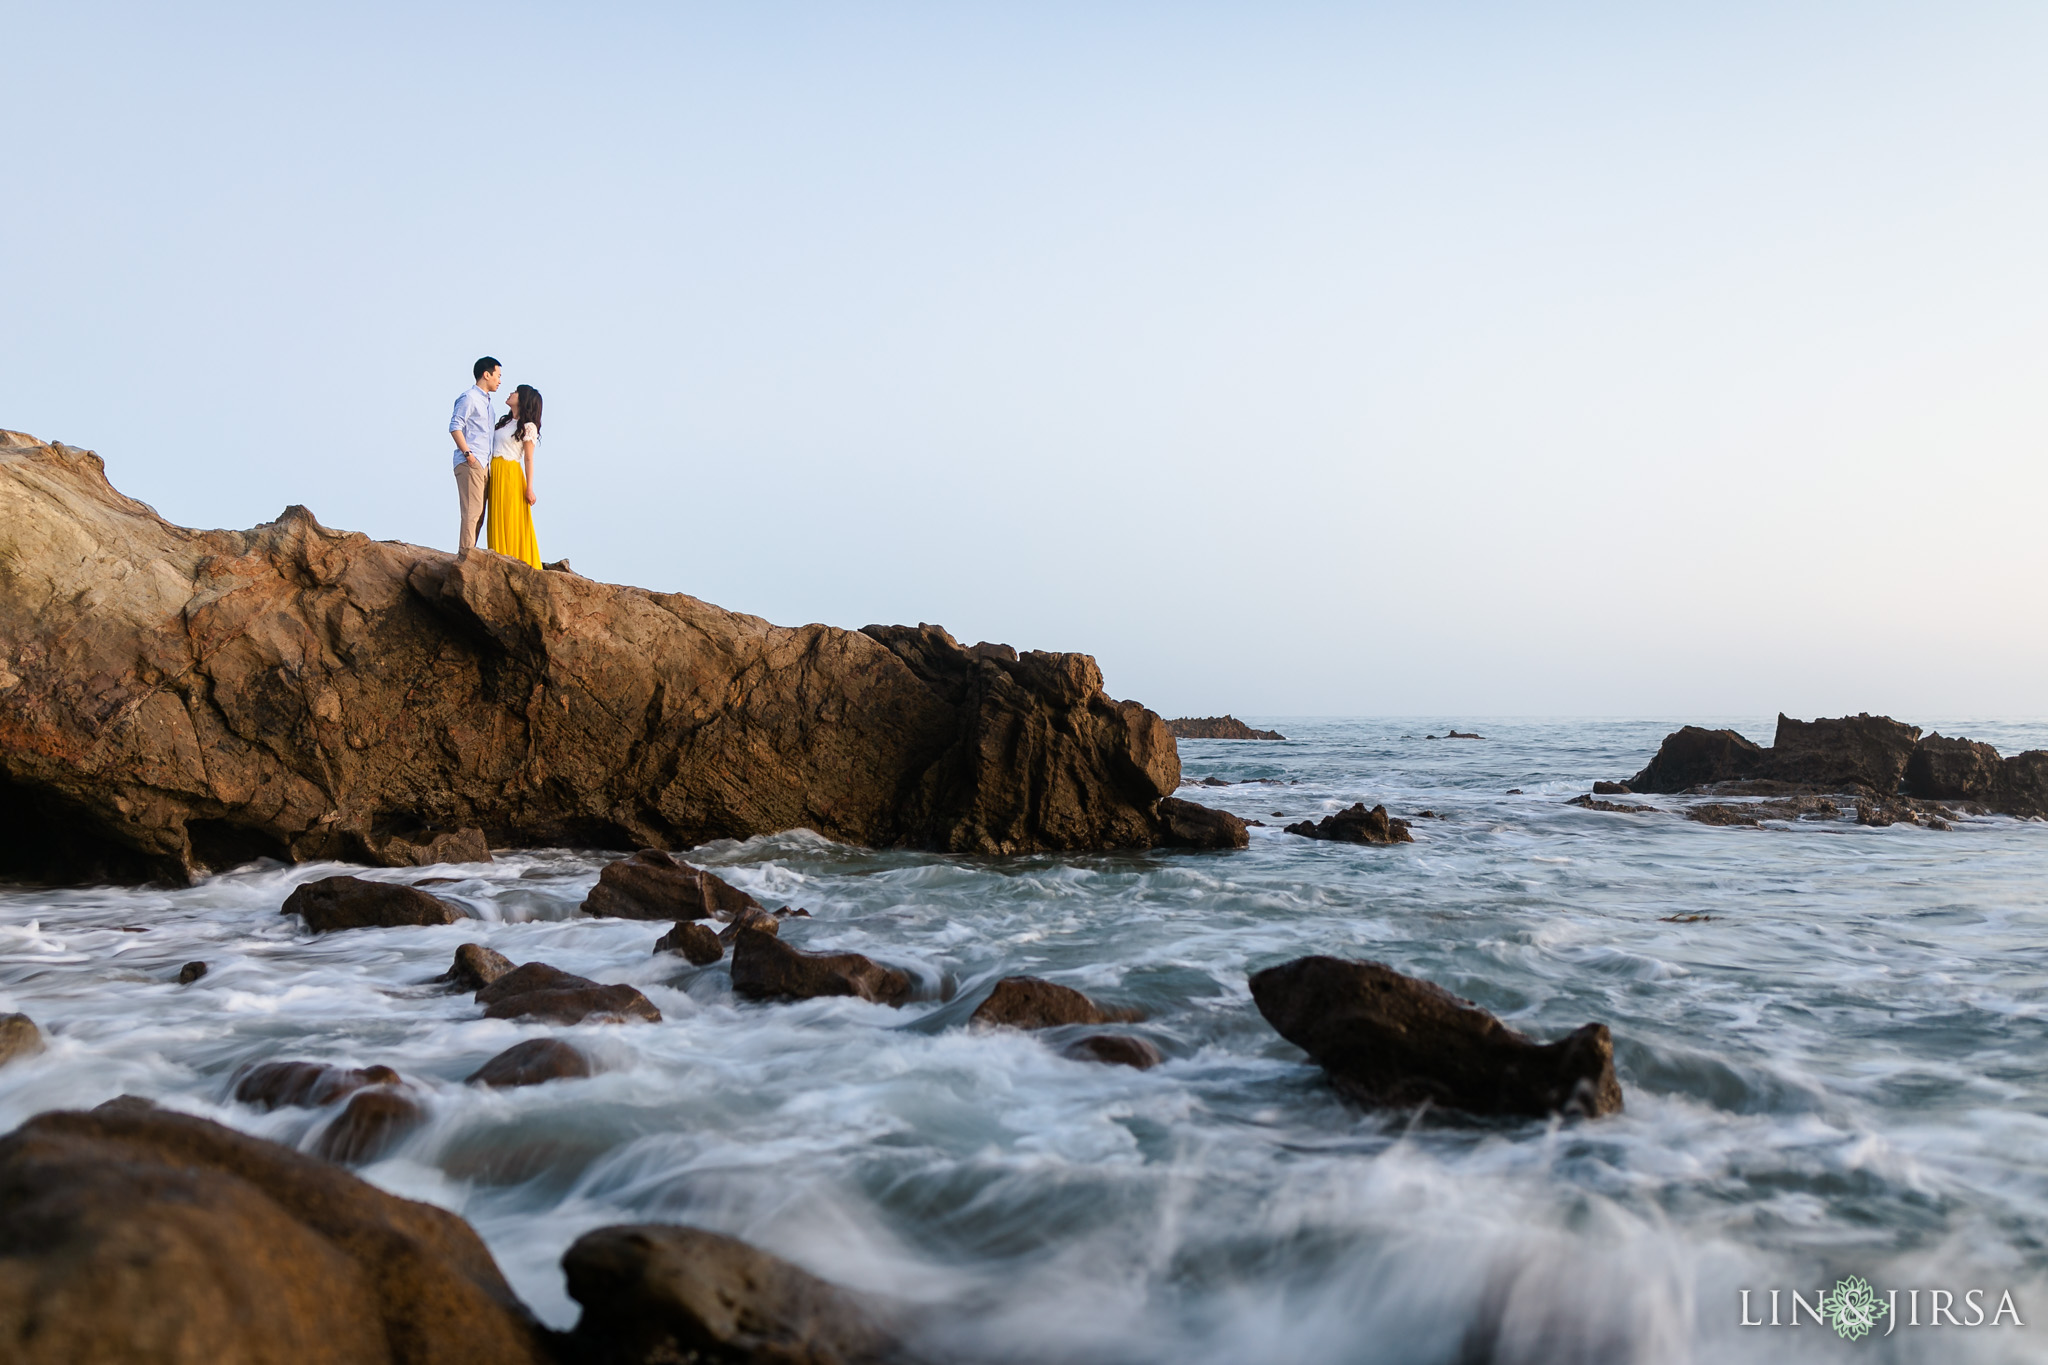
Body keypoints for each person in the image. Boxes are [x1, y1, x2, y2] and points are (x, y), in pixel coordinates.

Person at [485, 383, 543, 569]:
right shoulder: (505, 421)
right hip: (497, 471)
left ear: (524, 399)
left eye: (516, 392)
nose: (511, 393)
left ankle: (515, 562)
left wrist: (529, 487)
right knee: (496, 517)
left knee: (511, 520)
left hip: (510, 474)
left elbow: (528, 459)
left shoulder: (528, 427)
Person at [448, 357, 502, 552]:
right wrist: (469, 455)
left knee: (479, 515)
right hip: (471, 461)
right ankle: (465, 559)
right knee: (472, 512)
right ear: (486, 374)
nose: (500, 380)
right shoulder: (469, 397)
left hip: (484, 463)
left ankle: (469, 555)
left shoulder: (488, 402)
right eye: (498, 375)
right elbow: (455, 426)